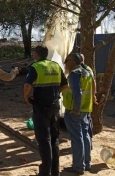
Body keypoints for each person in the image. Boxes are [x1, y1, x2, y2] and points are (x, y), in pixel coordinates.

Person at [23, 45, 68, 176]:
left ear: (37, 54)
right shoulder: (55, 66)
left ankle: (45, 172)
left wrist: (26, 97)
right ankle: (55, 172)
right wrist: (54, 93)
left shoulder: (35, 67)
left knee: (44, 140)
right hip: (54, 107)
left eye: (34, 53)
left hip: (41, 107)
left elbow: (27, 85)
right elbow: (65, 86)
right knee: (54, 139)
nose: (33, 55)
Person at [62, 53, 93, 175]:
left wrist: (76, 109)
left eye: (67, 61)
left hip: (74, 111)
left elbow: (77, 92)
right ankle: (87, 163)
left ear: (73, 62)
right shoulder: (87, 71)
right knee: (85, 136)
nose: (65, 63)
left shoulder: (75, 73)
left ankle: (79, 167)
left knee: (77, 138)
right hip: (86, 109)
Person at [78, 53, 98, 148]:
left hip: (81, 103)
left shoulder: (79, 70)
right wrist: (93, 95)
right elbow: (94, 83)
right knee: (87, 123)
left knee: (83, 126)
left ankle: (86, 145)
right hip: (87, 102)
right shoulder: (88, 68)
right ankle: (89, 144)